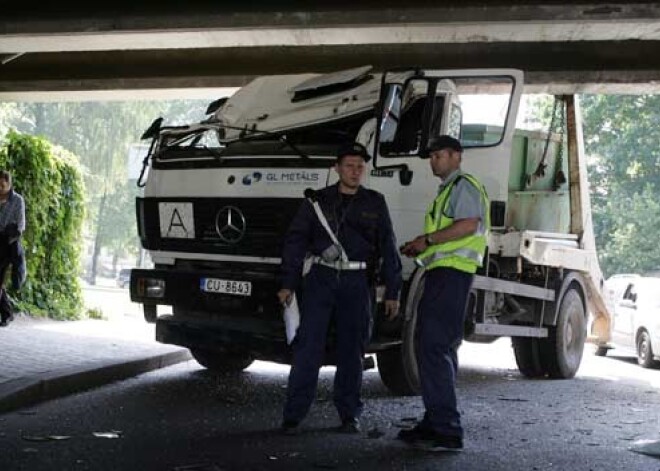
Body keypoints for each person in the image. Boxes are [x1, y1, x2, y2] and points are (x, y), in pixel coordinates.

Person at [277, 142, 402, 434]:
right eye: (349, 165)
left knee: (352, 351)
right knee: (308, 347)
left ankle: (349, 415)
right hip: (321, 278)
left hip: (357, 282)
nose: (355, 171)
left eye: (360, 166)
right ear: (336, 168)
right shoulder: (316, 201)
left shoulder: (375, 201)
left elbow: (388, 246)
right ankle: (293, 415)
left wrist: (393, 291)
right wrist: (288, 284)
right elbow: (295, 243)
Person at [398, 135, 490, 451]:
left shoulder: (463, 185)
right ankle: (436, 419)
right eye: (432, 156)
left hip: (452, 276)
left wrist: (428, 240)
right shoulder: (449, 189)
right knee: (437, 347)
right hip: (445, 274)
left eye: (439, 155)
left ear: (456, 156)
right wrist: (421, 244)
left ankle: (447, 429)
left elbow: (468, 225)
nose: (433, 161)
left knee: (434, 347)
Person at [0, 170, 26, 327]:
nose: (0, 188)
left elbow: (21, 225)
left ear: (10, 185)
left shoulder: (17, 201)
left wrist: (9, 236)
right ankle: (7, 313)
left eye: (3, 185)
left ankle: (6, 314)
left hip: (7, 244)